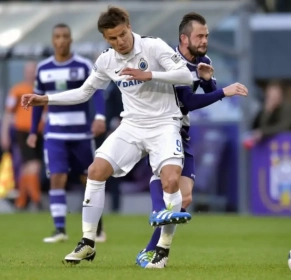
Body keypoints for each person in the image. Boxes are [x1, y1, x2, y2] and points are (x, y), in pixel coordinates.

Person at [20, 6, 237, 268]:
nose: (119, 42)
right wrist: (46, 99)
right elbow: (85, 91)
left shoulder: (153, 47)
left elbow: (182, 74)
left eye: (122, 34)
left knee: (171, 182)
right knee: (95, 170)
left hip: (165, 123)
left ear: (129, 26)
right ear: (105, 39)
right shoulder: (107, 60)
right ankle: (88, 242)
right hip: (132, 126)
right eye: (112, 38)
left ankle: (162, 251)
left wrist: (149, 74)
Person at [135, 12, 248, 268]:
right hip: (160, 129)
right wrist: (223, 92)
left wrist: (209, 81)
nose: (205, 40)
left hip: (181, 132)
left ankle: (150, 249)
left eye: (206, 35)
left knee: (184, 199)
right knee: (168, 186)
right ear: (184, 38)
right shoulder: (170, 63)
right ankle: (154, 248)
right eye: (200, 35)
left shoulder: (202, 60)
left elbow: (205, 90)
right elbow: (188, 101)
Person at [28, 23, 106, 243]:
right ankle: (60, 229)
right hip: (55, 134)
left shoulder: (82, 66)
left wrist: (99, 117)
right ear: (53, 41)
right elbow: (37, 100)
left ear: (71, 40)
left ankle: (97, 228)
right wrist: (34, 131)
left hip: (81, 134)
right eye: (57, 36)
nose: (61, 40)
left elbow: (97, 91)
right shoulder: (43, 68)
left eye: (65, 36)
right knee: (57, 178)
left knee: (89, 179)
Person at [1, 61, 43, 210]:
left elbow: (47, 112)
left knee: (28, 168)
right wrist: (4, 133)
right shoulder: (18, 90)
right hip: (23, 131)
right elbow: (8, 112)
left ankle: (22, 201)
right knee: (33, 166)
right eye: (29, 70)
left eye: (33, 70)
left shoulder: (41, 90)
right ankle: (37, 200)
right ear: (25, 72)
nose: (31, 73)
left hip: (39, 132)